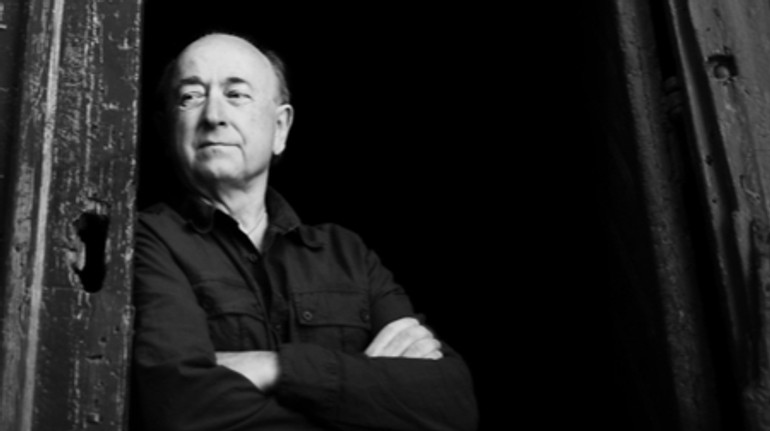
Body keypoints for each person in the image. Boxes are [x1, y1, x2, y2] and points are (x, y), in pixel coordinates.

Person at [131, 32, 478, 431]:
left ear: (280, 128)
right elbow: (181, 407)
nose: (213, 115)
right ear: (166, 128)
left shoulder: (347, 254)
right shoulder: (143, 240)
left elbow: (453, 404)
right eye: (190, 96)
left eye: (236, 94)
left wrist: (275, 368)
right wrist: (365, 392)